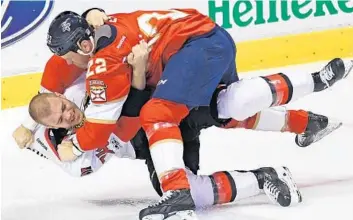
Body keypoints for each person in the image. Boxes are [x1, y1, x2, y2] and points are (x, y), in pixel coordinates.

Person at [44, 8, 352, 219]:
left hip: (179, 77)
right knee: (228, 113)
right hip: (163, 132)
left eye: (64, 108)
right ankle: (267, 174)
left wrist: (79, 143)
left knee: (216, 107)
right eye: (60, 119)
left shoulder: (91, 74)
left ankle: (313, 85)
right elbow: (115, 135)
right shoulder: (93, 64)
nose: (66, 114)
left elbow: (99, 122)